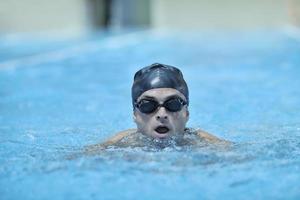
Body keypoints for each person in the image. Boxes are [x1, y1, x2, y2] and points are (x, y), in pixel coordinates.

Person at [87, 63, 229, 152]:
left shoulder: (211, 146)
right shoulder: (115, 147)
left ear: (186, 113)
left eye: (173, 104)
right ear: (135, 115)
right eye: (148, 105)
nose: (162, 114)